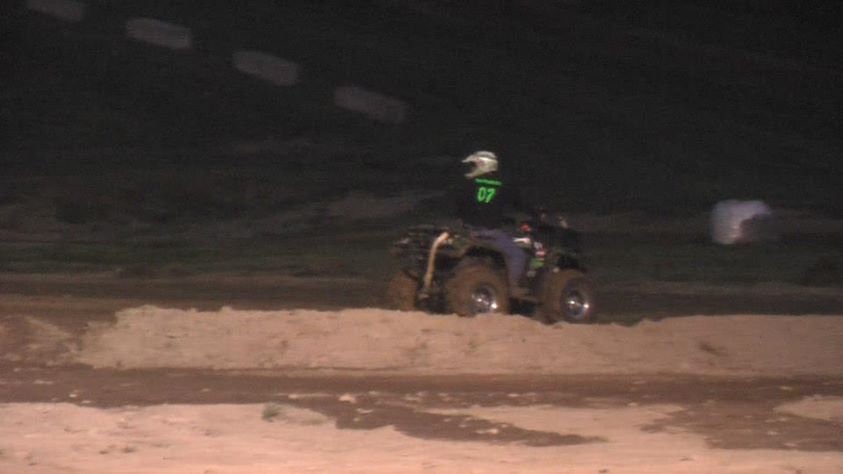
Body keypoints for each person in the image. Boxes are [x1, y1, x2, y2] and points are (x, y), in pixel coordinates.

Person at [454, 150, 530, 292]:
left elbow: (458, 204)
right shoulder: (503, 185)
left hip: (467, 231)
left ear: (483, 165)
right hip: (490, 233)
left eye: (473, 165)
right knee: (518, 255)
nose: (471, 168)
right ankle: (513, 287)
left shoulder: (468, 183)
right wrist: (536, 214)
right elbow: (519, 204)